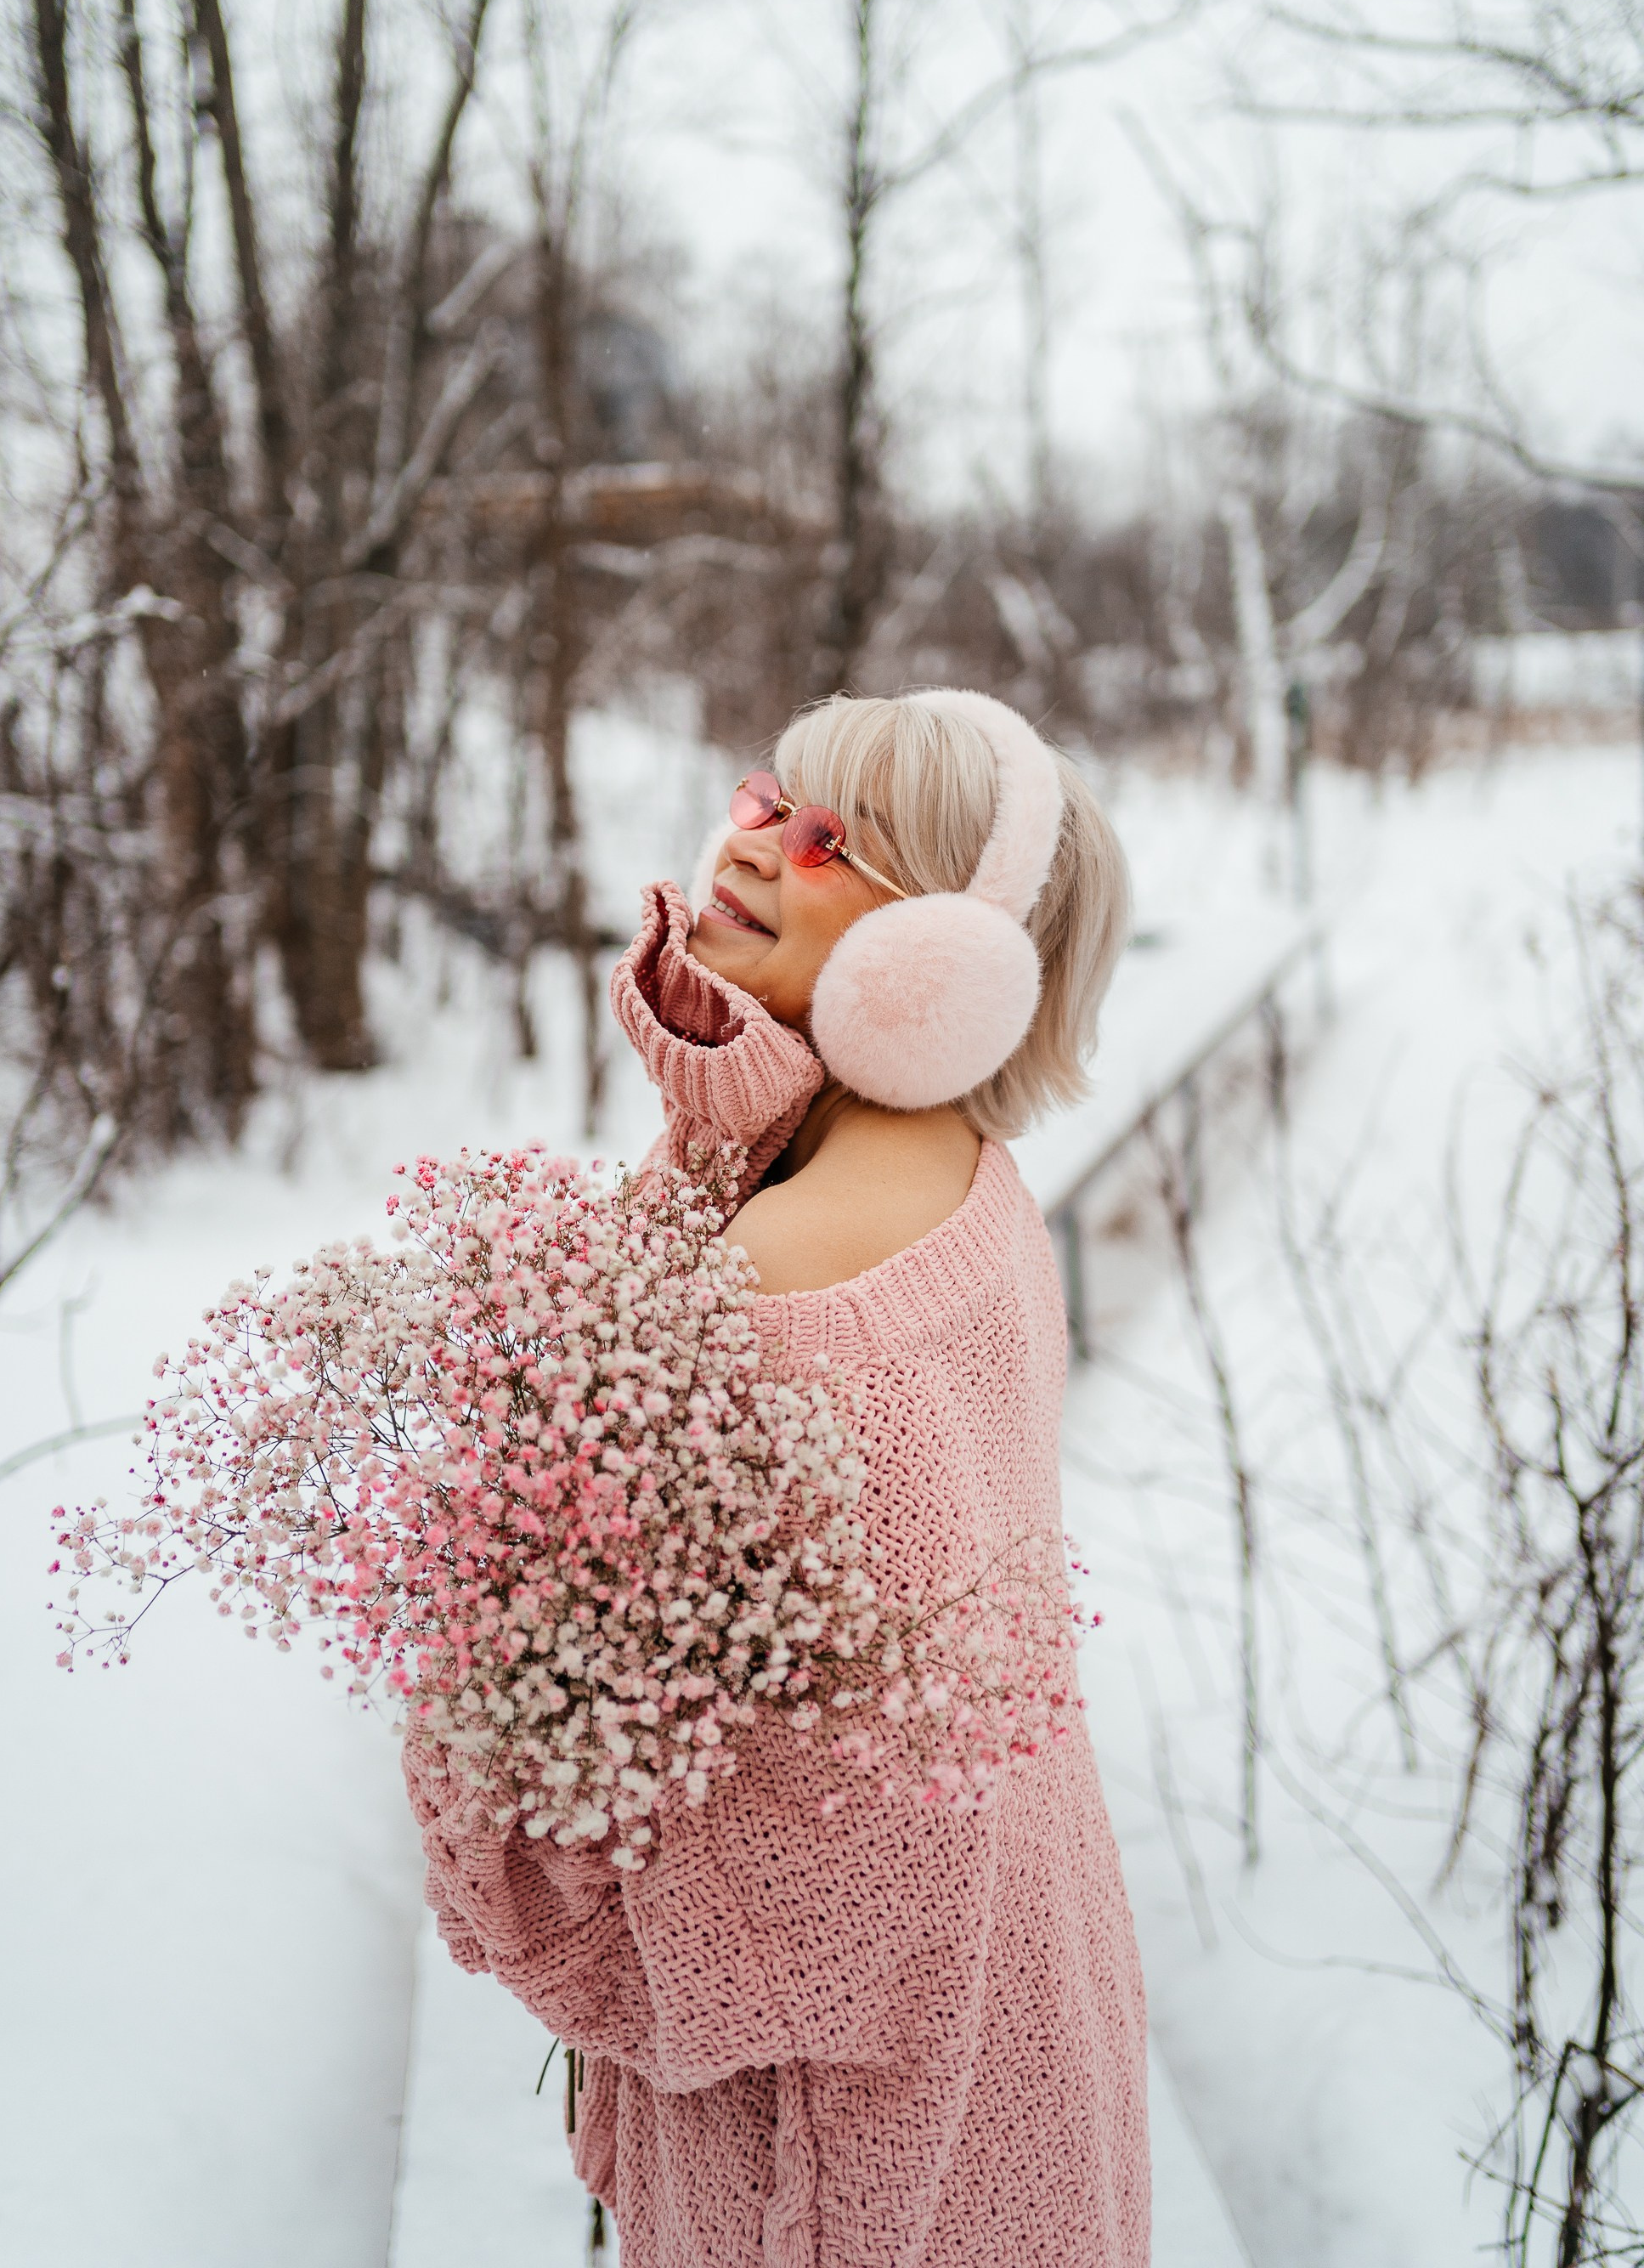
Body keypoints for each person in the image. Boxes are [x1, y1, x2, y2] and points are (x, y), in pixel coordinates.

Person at [406, 689, 1149, 2267]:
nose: (751, 846)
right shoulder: (953, 1179)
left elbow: (782, 1892)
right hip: (1024, 2033)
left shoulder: (786, 1288)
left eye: (829, 845)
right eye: (766, 799)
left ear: (942, 963)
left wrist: (481, 1672)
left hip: (853, 2170)